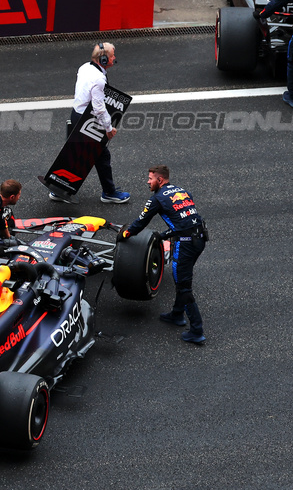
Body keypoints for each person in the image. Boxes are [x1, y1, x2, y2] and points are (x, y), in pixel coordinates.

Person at [121, 165, 209, 345]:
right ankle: (177, 314)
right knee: (181, 279)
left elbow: (140, 222)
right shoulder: (183, 192)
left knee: (184, 285)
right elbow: (184, 221)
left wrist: (125, 234)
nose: (148, 182)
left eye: (150, 178)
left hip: (185, 244)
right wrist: (164, 235)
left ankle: (197, 330)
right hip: (199, 239)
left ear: (160, 180)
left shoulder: (158, 199)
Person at [52, 42, 130, 204]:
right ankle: (109, 193)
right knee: (102, 156)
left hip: (76, 115)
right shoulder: (98, 79)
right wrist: (108, 128)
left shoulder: (84, 67)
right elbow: (99, 108)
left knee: (74, 154)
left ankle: (60, 189)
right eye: (112, 55)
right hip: (88, 120)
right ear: (102, 59)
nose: (114, 58)